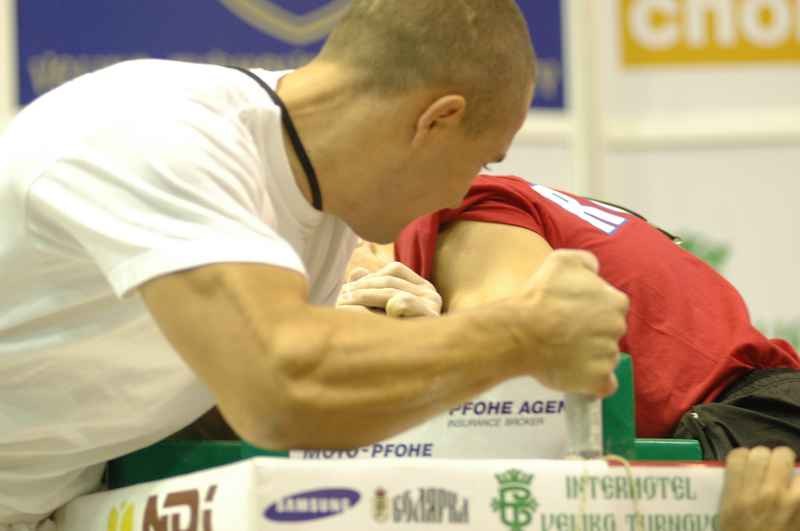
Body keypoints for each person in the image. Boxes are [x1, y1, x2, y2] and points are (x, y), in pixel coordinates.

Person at [0, 1, 631, 526]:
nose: (460, 197)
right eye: (481, 162)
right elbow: (281, 392)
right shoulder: (156, 132)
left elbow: (236, 405)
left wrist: (383, 346)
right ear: (438, 120)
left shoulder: (318, 210)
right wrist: (523, 335)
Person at [338, 174, 800, 455]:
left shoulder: (464, 218)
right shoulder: (478, 212)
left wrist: (427, 344)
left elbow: (529, 393)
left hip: (754, 420)